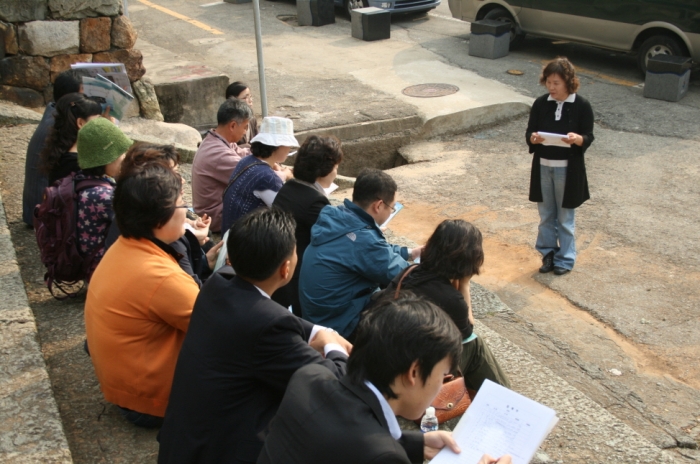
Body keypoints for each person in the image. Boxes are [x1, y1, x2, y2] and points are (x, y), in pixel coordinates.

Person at [157, 207, 350, 464]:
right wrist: (334, 346)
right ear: (286, 269)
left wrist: (318, 331)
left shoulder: (219, 282)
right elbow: (334, 386)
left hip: (183, 441)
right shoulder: (268, 328)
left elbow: (269, 315)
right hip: (218, 452)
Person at [258, 294, 512, 464]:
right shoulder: (382, 456)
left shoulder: (310, 377)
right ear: (414, 373)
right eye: (442, 376)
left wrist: (417, 444)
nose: (440, 386)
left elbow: (341, 441)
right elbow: (366, 448)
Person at [84, 162, 200, 428]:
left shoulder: (125, 246)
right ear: (159, 219)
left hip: (123, 387)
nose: (186, 212)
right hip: (149, 402)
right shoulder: (160, 276)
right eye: (182, 204)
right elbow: (220, 328)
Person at [370, 220, 510, 391]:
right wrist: (465, 284)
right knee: (475, 345)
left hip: (388, 358)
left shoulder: (409, 272)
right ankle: (503, 396)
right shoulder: (450, 299)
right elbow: (467, 330)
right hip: (414, 374)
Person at [299, 168, 422, 339]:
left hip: (318, 317)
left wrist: (411, 253)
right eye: (392, 208)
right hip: (341, 325)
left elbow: (378, 253)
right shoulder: (363, 238)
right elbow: (405, 274)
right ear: (378, 205)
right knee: (410, 302)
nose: (391, 212)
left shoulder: (338, 218)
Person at [103, 143, 223, 287]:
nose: (182, 180)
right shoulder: (166, 239)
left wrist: (203, 262)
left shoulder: (130, 216)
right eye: (181, 203)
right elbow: (193, 294)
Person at [526, 57, 594, 276]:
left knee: (565, 217)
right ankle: (548, 254)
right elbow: (530, 132)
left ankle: (565, 259)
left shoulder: (581, 105)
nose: (551, 87)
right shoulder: (541, 103)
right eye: (548, 82)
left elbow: (588, 136)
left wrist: (577, 139)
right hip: (543, 166)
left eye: (556, 83)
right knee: (546, 215)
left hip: (567, 169)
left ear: (568, 82)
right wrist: (533, 138)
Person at [271, 135, 343, 316]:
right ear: (324, 170)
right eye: (336, 167)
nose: (336, 172)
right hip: (296, 280)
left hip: (277, 270)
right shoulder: (315, 201)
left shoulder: (289, 187)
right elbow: (336, 237)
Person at [22, 69, 83, 226]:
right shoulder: (60, 126)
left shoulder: (53, 111)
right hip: (42, 215)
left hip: (34, 209)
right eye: (83, 96)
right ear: (71, 100)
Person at [75, 117, 133, 280]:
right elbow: (136, 224)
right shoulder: (104, 195)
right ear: (105, 157)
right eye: (120, 153)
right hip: (102, 269)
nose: (124, 157)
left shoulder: (82, 179)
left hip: (88, 260)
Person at [220, 116, 297, 233]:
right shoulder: (268, 178)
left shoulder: (246, 161)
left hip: (229, 234)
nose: (289, 148)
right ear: (278, 146)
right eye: (288, 145)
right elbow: (287, 214)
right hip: (244, 239)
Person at [191, 98, 253, 232]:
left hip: (216, 208)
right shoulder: (218, 153)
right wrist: (283, 173)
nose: (245, 132)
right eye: (245, 127)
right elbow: (253, 174)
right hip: (215, 216)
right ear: (233, 126)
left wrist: (264, 154)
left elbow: (243, 153)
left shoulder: (217, 139)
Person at [40, 92, 103, 184]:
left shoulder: (61, 149)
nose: (102, 124)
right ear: (81, 123)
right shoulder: (78, 163)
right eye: (99, 119)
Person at [226, 81, 259, 147]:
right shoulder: (229, 123)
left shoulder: (252, 119)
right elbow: (225, 147)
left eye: (250, 96)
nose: (250, 100)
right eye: (245, 98)